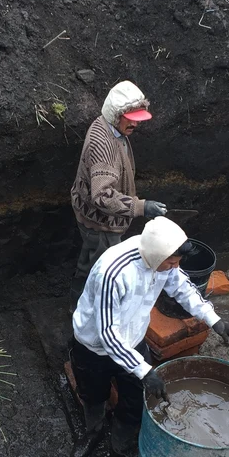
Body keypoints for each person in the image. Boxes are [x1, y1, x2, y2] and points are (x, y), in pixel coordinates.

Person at [69, 217, 229, 457]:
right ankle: (94, 431)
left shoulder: (163, 257)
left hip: (133, 339)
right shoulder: (112, 273)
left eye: (176, 262)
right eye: (171, 263)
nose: (174, 267)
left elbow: (183, 288)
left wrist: (214, 320)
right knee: (93, 394)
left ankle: (119, 448)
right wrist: (145, 371)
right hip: (94, 347)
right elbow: (107, 333)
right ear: (157, 256)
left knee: (136, 400)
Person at [69, 80, 168, 305]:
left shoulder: (107, 126)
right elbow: (102, 196)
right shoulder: (104, 146)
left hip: (90, 214)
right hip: (101, 222)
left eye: (138, 118)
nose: (135, 123)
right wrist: (141, 207)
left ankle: (79, 298)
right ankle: (87, 306)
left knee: (90, 256)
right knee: (101, 268)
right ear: (115, 115)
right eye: (130, 118)